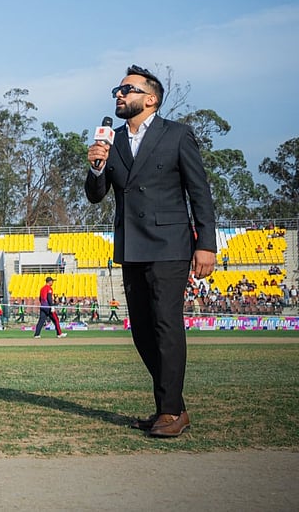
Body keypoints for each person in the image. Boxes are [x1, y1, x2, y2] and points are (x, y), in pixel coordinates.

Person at [86, 64, 216, 438]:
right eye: (118, 90)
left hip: (170, 246)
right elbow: (96, 197)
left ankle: (171, 411)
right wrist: (96, 169)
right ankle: (170, 406)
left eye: (127, 89)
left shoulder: (177, 135)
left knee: (165, 325)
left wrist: (206, 244)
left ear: (151, 98)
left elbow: (200, 193)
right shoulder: (113, 142)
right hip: (131, 246)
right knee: (142, 331)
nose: (119, 95)